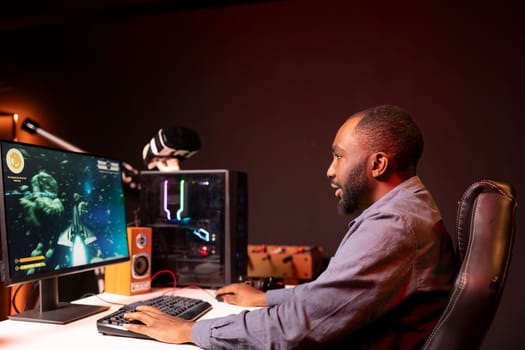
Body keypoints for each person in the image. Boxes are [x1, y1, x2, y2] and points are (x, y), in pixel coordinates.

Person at [123, 105, 458, 349]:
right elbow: (332, 294)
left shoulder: (393, 226)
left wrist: (190, 331)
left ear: (378, 164)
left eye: (339, 156)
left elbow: (298, 326)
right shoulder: (406, 211)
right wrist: (267, 297)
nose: (330, 170)